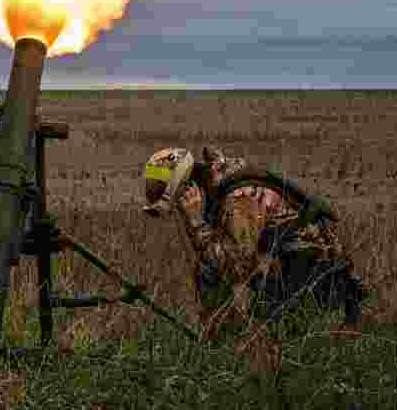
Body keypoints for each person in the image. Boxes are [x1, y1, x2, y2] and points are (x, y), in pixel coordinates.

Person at [143, 146, 364, 345]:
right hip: (296, 271)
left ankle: (229, 348)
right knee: (210, 268)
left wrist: (196, 222)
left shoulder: (238, 201)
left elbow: (236, 268)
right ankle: (230, 344)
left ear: (191, 188)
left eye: (179, 204)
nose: (180, 211)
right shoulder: (219, 186)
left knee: (211, 271)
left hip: (315, 279)